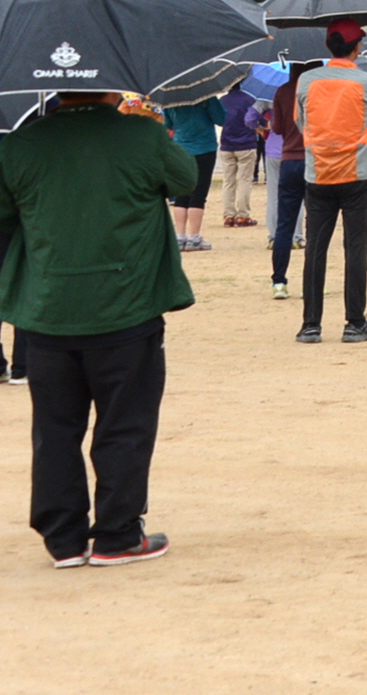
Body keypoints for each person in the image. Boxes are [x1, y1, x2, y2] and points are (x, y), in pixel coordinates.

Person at [0, 92, 197, 568]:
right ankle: (117, 533)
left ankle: (63, 538)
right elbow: (185, 178)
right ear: (111, 86)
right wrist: (147, 120)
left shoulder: (20, 143)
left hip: (49, 307)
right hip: (126, 304)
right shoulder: (140, 134)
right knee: (125, 424)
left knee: (54, 429)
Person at [294, 20, 367, 345]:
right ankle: (355, 321)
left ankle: (311, 324)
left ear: (328, 47)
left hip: (318, 171)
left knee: (315, 249)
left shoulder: (306, 80)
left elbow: (299, 119)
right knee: (356, 245)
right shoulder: (366, 80)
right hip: (357, 171)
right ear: (357, 47)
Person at [264, 67, 307, 300]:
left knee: (284, 224)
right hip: (314, 158)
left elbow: (278, 128)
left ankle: (279, 281)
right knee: (317, 224)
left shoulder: (282, 91)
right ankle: (313, 280)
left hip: (289, 158)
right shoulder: (317, 89)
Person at [163, 97, 221, 254]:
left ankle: (180, 236)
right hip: (205, 147)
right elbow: (221, 118)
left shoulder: (170, 98)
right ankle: (194, 237)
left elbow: (167, 123)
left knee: (182, 192)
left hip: (181, 147)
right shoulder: (206, 97)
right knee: (199, 191)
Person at [216, 81, 261, 230]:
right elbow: (257, 119)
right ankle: (243, 214)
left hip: (227, 143)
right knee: (244, 180)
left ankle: (228, 215)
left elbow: (220, 120)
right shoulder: (250, 99)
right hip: (246, 143)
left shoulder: (222, 101)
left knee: (228, 181)